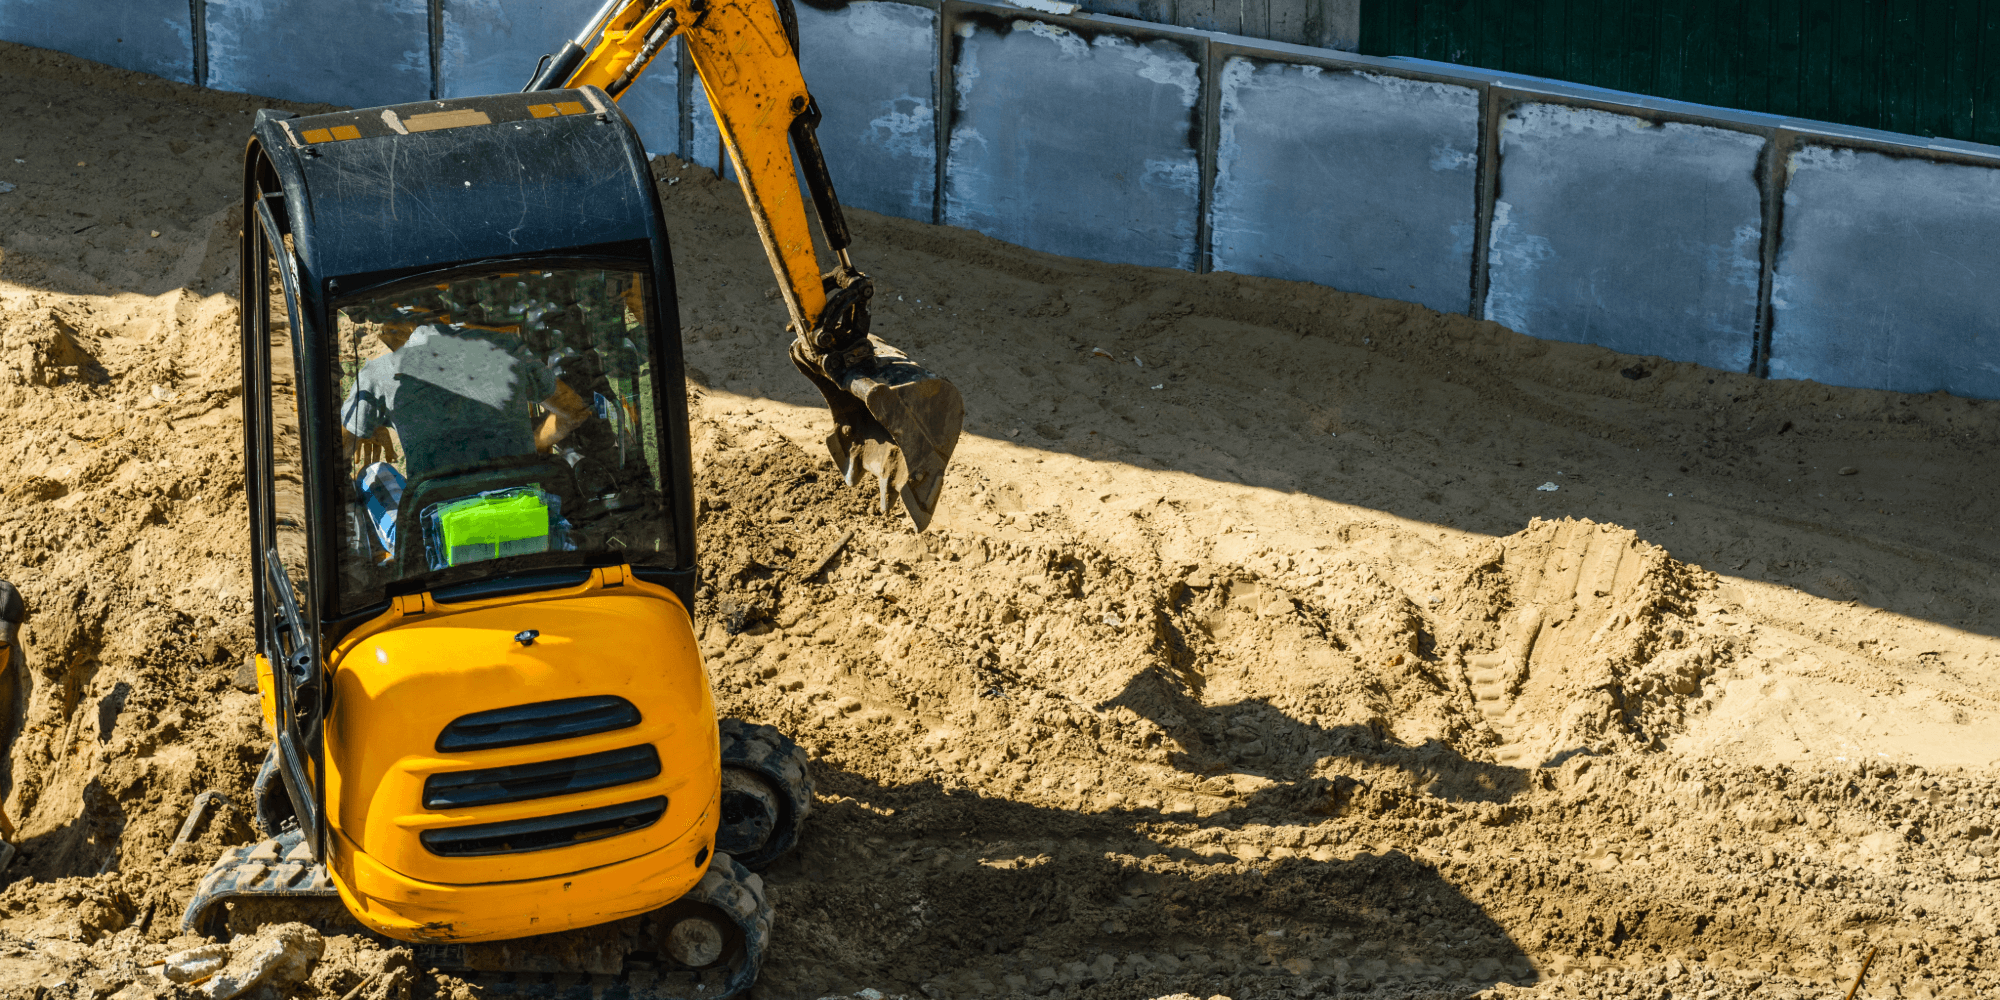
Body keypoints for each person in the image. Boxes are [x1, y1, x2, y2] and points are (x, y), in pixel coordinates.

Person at [338, 288, 594, 559]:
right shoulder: (509, 348)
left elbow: (335, 452)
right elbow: (575, 412)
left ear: (399, 325)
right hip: (531, 531)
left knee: (373, 473)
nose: (381, 338)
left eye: (383, 330)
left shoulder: (379, 374)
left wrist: (368, 427)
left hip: (440, 549)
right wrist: (534, 442)